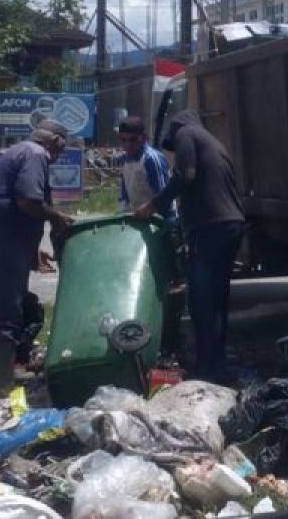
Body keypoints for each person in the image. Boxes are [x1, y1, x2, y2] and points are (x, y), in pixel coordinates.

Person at [134, 110, 244, 380]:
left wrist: (153, 204)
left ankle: (205, 370)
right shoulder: (212, 140)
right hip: (231, 225)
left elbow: (186, 173)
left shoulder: (185, 133)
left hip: (209, 227)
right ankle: (216, 367)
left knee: (202, 301)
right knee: (218, 300)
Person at [0, 119, 75, 395]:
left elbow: (7, 203)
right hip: (3, 246)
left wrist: (30, 249)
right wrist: (57, 217)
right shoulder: (36, 155)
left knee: (7, 309)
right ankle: (0, 389)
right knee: (4, 315)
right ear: (56, 142)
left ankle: (0, 379)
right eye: (60, 152)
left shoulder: (16, 152)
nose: (57, 158)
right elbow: (28, 201)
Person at [116, 115, 175, 226]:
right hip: (138, 221)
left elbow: (164, 198)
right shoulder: (124, 160)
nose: (128, 145)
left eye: (133, 140)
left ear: (143, 138)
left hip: (158, 222)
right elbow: (124, 195)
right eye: (123, 140)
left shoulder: (151, 160)